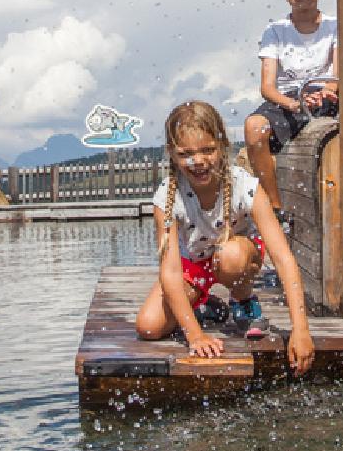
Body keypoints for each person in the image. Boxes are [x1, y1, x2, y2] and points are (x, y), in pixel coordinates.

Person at [134, 101, 314, 374]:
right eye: (186, 154)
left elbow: (283, 259)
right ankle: (206, 305)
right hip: (194, 265)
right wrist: (195, 336)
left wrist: (300, 329)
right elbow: (170, 272)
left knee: (230, 255)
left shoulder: (246, 186)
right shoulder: (166, 199)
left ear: (222, 145)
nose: (198, 161)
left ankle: (243, 301)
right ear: (171, 153)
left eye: (208, 150)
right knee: (148, 327)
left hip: (237, 258)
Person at [242, 0, 341, 207]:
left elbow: (337, 74)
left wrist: (325, 91)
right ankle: (275, 207)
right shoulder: (275, 30)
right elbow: (267, 87)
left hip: (325, 91)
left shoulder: (335, 26)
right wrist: (293, 104)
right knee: (254, 127)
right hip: (288, 97)